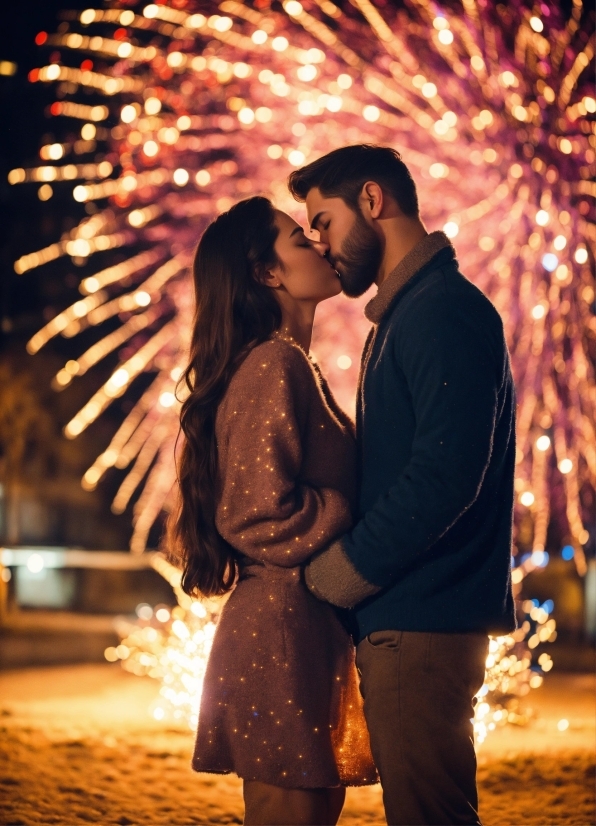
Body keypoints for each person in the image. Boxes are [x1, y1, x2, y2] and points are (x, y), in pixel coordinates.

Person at [288, 145, 516, 826]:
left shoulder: (440, 311)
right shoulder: (412, 314)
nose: (321, 245)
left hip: (421, 618)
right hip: (417, 616)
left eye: (323, 222)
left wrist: (340, 574)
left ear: (371, 200)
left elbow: (444, 477)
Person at [167, 195, 377, 826]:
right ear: (267, 273)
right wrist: (349, 508)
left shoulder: (292, 362)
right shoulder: (275, 363)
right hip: (279, 631)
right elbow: (255, 515)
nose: (317, 241)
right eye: (296, 238)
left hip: (297, 626)